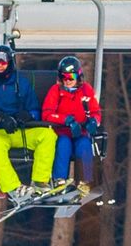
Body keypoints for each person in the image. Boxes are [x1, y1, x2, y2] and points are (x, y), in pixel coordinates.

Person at [0, 43, 60, 208]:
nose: (0, 65)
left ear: (10, 62)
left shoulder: (21, 83)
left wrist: (27, 116)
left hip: (18, 130)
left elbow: (35, 110)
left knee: (47, 135)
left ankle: (40, 182)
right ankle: (13, 188)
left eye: (3, 62)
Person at [41, 55, 103, 197]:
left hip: (80, 131)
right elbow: (47, 113)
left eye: (71, 77)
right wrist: (65, 120)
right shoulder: (56, 91)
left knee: (84, 144)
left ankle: (85, 181)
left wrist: (93, 121)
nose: (67, 81)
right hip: (62, 131)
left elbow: (95, 111)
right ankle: (59, 181)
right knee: (63, 145)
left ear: (78, 76)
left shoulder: (86, 90)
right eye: (64, 77)